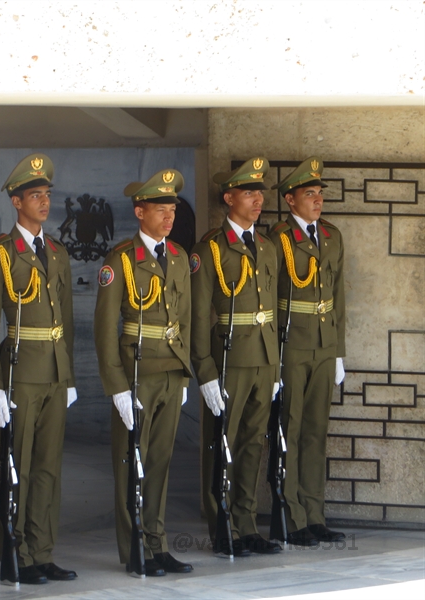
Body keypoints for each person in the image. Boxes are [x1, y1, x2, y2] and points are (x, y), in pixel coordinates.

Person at [0, 153, 78, 585]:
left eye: (47, 195)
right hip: (18, 372)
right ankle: (14, 553)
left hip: (53, 372)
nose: (44, 202)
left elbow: (66, 320)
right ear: (16, 202)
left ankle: (41, 550)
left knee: (48, 468)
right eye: (35, 195)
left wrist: (68, 374)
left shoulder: (55, 251)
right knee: (16, 466)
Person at [93, 169, 194, 577]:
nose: (169, 217)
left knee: (160, 462)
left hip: (171, 371)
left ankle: (158, 542)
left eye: (172, 210)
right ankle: (134, 546)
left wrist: (185, 374)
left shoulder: (180, 257)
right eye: (161, 210)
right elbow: (104, 330)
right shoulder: (120, 260)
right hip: (136, 374)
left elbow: (183, 320)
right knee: (130, 461)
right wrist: (116, 386)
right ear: (140, 212)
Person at [189, 157, 282, 556]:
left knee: (252, 443)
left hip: (263, 359)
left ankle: (246, 525)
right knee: (220, 444)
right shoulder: (209, 248)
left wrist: (275, 364)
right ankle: (221, 526)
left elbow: (272, 310)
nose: (258, 200)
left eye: (260, 192)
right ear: (229, 198)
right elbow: (196, 314)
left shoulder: (266, 246)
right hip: (228, 358)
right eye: (249, 192)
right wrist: (205, 370)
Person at [270, 157, 346, 546]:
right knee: (291, 429)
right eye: (309, 194)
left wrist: (339, 352)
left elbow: (339, 297)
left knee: (317, 431)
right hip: (292, 345)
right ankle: (291, 516)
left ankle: (315, 514)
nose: (317, 201)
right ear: (290, 200)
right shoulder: (277, 237)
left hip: (323, 344)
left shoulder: (331, 235)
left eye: (319, 194)